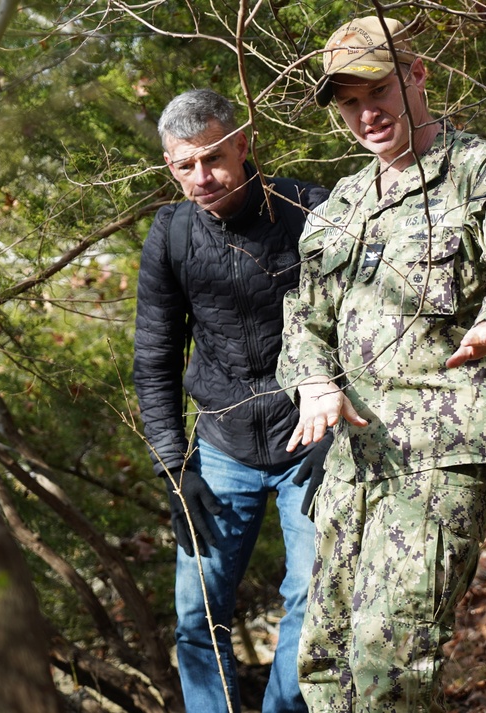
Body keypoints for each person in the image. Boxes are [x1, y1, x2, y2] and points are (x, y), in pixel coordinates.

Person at [275, 16, 486, 713]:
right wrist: (314, 381)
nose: (365, 113)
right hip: (353, 459)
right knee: (322, 661)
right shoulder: (339, 207)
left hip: (439, 455)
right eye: (348, 102)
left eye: (376, 90)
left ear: (415, 75)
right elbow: (302, 317)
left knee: (390, 665)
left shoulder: (480, 173)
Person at [133, 88, 330, 713]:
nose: (202, 177)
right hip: (219, 450)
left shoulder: (310, 209)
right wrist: (173, 462)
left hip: (313, 440)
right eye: (184, 165)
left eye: (213, 158)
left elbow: (361, 325)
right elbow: (155, 357)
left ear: (242, 144)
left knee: (311, 601)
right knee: (196, 617)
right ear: (169, 165)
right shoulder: (170, 235)